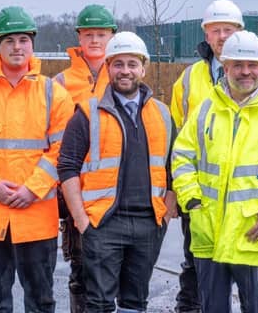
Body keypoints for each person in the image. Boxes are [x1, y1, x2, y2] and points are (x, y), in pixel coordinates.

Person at [171, 30, 258, 313]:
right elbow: (182, 156)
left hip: (257, 236)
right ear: (225, 67)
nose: (245, 72)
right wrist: (192, 202)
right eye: (237, 65)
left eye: (252, 65)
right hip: (209, 234)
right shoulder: (205, 110)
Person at [0, 6, 74, 313]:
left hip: (37, 216)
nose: (17, 46)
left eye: (23, 39)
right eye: (9, 40)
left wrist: (32, 189)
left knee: (41, 300)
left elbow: (62, 149)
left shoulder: (54, 93)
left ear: (32, 43)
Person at [58, 31, 176, 313]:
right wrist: (81, 220)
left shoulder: (162, 114)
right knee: (98, 303)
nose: (125, 71)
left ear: (143, 68)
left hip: (148, 224)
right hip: (103, 224)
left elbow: (174, 169)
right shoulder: (87, 113)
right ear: (108, 67)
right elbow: (67, 167)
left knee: (135, 303)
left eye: (132, 64)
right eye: (118, 64)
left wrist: (164, 217)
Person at [53, 4, 117, 313]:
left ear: (111, 37)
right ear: (79, 37)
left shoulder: (121, 75)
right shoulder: (61, 83)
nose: (94, 40)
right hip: (75, 186)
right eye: (88, 34)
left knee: (111, 270)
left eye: (101, 34)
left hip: (113, 188)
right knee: (79, 270)